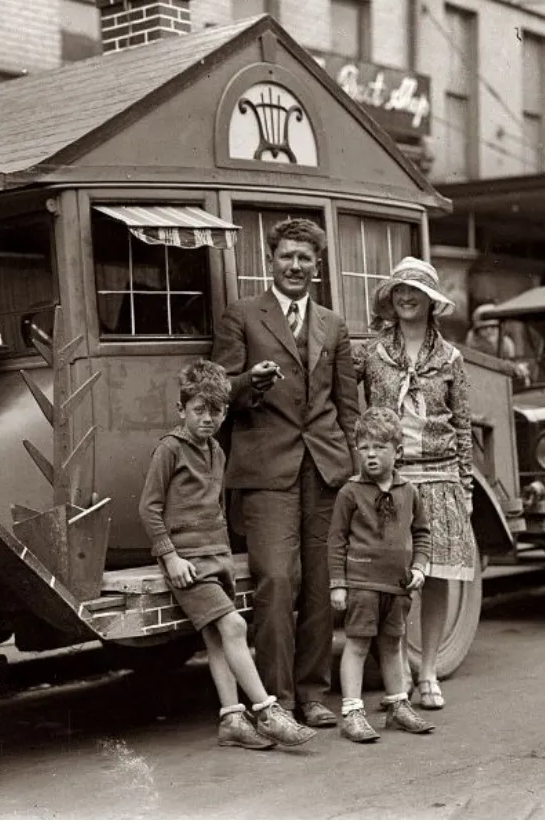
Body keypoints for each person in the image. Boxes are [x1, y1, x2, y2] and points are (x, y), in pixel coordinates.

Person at [212, 217, 359, 729]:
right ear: (269, 262)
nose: (295, 266)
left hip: (325, 470)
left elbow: (348, 407)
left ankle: (314, 693)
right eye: (286, 257)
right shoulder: (242, 316)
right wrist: (248, 381)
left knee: (321, 584)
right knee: (276, 581)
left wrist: (359, 475)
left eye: (304, 258)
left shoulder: (333, 325)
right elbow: (218, 392)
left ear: (316, 267)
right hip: (265, 470)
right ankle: (275, 700)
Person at [139, 360, 316, 750]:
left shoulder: (217, 451)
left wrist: (224, 553)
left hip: (215, 555)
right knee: (235, 626)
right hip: (187, 562)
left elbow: (216, 505)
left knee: (218, 640)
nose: (207, 419)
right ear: (181, 410)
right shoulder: (169, 449)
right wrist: (170, 557)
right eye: (198, 410)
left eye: (216, 411)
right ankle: (267, 711)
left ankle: (232, 719)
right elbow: (149, 508)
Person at [353, 257, 474, 712]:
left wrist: (464, 487)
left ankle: (428, 673)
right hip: (392, 479)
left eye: (416, 292)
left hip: (441, 475)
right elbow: (350, 403)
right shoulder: (372, 352)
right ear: (390, 298)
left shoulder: (451, 358)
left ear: (431, 302)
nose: (406, 298)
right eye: (400, 290)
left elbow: (462, 424)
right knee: (394, 576)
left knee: (437, 574)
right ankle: (399, 667)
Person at [329, 406, 438, 742]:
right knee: (358, 645)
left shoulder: (409, 492)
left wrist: (420, 565)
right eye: (364, 448)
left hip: (398, 585)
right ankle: (352, 711)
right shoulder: (350, 492)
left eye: (380, 447)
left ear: (398, 451)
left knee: (393, 645)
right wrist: (338, 584)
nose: (371, 455)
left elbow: (422, 533)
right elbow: (336, 540)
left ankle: (398, 706)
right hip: (362, 583)